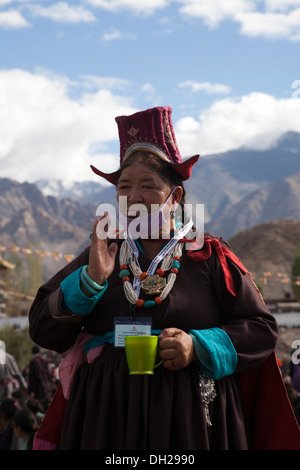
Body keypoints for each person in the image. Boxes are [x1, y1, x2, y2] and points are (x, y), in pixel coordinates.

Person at [29, 106, 300, 450]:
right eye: (124, 186)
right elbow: (42, 328)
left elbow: (262, 330)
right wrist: (92, 280)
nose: (134, 196)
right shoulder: (101, 254)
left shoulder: (209, 256)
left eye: (148, 185)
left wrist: (197, 346)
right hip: (106, 415)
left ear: (176, 197)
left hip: (188, 418)